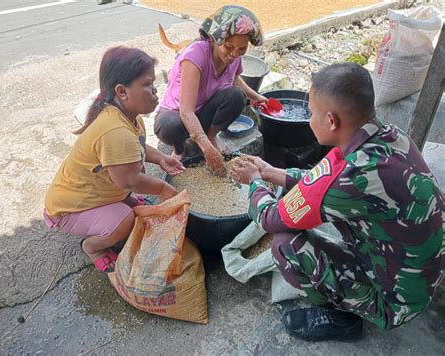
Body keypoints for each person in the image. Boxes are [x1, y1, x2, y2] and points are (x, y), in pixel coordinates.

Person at [232, 63, 443, 342]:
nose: (309, 120)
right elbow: (323, 179)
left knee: (286, 246)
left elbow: (270, 217)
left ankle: (341, 318)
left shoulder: (350, 179)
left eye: (311, 113)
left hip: (394, 303)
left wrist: (256, 181)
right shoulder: (389, 136)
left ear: (331, 121)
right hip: (419, 276)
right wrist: (273, 173)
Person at [44, 46, 185, 273]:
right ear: (122, 91)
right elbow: (128, 180)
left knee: (135, 209)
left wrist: (160, 158)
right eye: (147, 84)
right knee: (125, 221)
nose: (155, 90)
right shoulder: (114, 130)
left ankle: (115, 208)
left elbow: (135, 147)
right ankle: (93, 247)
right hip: (68, 208)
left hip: (98, 193)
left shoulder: (125, 116)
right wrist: (163, 189)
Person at [155, 5, 268, 174]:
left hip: (203, 113)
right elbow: (186, 112)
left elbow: (235, 80)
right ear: (215, 40)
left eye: (242, 49)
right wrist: (207, 150)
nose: (235, 53)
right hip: (177, 115)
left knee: (237, 96)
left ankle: (211, 135)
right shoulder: (195, 55)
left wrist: (258, 98)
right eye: (229, 47)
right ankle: (180, 150)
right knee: (169, 125)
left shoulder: (235, 56)